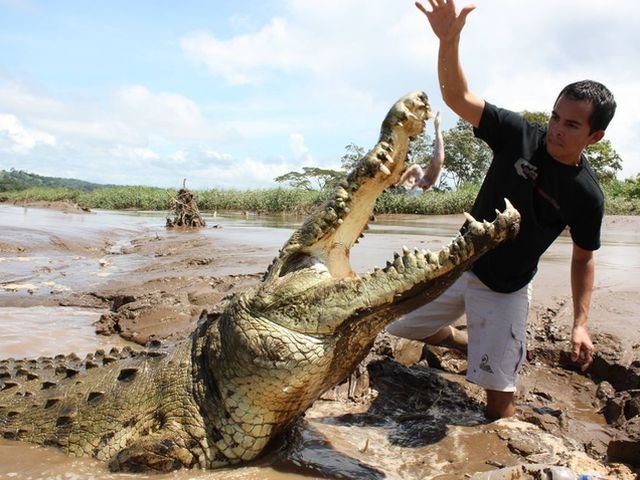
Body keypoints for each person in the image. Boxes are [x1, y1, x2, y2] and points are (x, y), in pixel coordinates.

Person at [387, 0, 617, 419]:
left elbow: (584, 259)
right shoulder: (518, 135)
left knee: (499, 409)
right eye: (555, 116)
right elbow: (457, 96)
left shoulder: (587, 195)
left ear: (594, 136)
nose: (556, 129)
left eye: (571, 125)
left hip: (506, 287)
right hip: (458, 265)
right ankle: (464, 340)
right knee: (394, 327)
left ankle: (488, 346)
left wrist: (580, 323)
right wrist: (448, 40)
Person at [397, 111, 445, 192]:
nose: (415, 181)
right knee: (438, 134)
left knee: (438, 134)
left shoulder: (424, 178)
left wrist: (401, 182)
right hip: (436, 164)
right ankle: (437, 124)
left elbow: (415, 169)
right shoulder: (425, 180)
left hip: (435, 165)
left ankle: (437, 124)